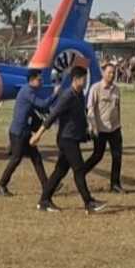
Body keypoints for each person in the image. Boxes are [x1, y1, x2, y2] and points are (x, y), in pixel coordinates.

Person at [30, 67, 107, 213]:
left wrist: (88, 130)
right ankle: (89, 203)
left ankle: (44, 201)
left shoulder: (79, 95)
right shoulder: (67, 96)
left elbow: (80, 115)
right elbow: (53, 115)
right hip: (67, 140)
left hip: (73, 138)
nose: (85, 82)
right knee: (78, 169)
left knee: (60, 171)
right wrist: (38, 134)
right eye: (83, 79)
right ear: (76, 79)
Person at [0, 70, 52, 196]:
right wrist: (56, 94)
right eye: (39, 79)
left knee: (36, 158)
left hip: (23, 131)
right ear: (32, 80)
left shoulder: (29, 91)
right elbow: (42, 104)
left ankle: (47, 186)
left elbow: (38, 109)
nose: (41, 82)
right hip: (19, 132)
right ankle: (1, 185)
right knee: (16, 159)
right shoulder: (28, 92)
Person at [83, 63, 125, 193]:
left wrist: (118, 124)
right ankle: (80, 173)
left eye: (113, 73)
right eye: (109, 72)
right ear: (103, 73)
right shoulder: (95, 88)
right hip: (100, 130)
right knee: (97, 156)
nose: (112, 75)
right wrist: (93, 126)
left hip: (115, 129)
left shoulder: (116, 89)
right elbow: (90, 109)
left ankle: (115, 184)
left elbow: (117, 108)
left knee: (117, 156)